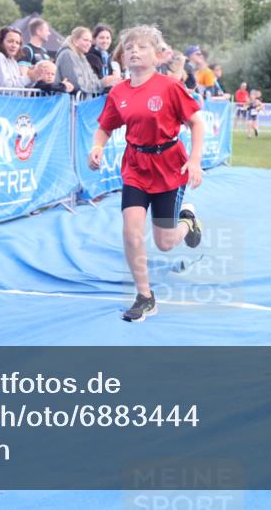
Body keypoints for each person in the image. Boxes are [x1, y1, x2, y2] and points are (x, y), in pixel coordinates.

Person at [88, 25, 205, 323]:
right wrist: (97, 147)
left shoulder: (170, 87)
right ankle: (144, 296)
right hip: (136, 167)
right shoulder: (119, 92)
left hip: (169, 167)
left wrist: (194, 160)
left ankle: (188, 222)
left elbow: (196, 122)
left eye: (141, 47)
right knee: (131, 232)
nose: (134, 52)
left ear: (157, 55)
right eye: (129, 48)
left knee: (165, 242)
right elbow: (105, 127)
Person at [57, 26, 119, 96]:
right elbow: (77, 84)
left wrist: (106, 82)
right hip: (69, 101)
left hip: (82, 100)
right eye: (85, 40)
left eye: (90, 41)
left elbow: (93, 79)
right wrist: (103, 83)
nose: (89, 44)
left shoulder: (81, 56)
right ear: (75, 41)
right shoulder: (68, 54)